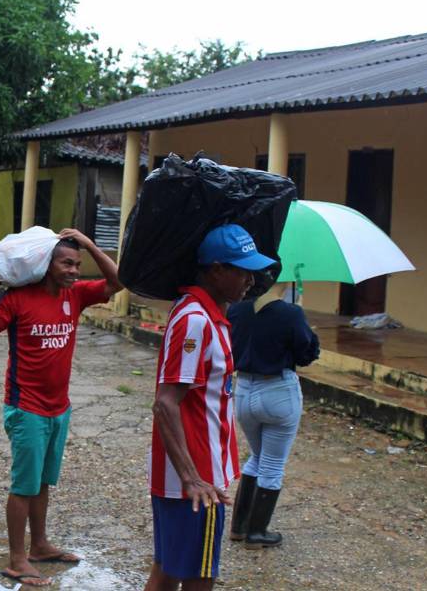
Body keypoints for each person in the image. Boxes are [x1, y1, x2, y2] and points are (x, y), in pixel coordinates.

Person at [0, 229, 122, 587]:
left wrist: (88, 244)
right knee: (24, 485)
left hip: (59, 407)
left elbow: (119, 281)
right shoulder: (18, 299)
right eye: (66, 263)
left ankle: (38, 545)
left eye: (77, 264)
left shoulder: (76, 295)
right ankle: (17, 559)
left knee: (41, 481)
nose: (74, 270)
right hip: (26, 409)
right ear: (46, 264)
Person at [145, 224, 276, 591]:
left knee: (167, 569)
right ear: (216, 270)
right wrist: (192, 478)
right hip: (196, 478)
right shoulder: (195, 321)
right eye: (242, 270)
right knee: (199, 577)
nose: (250, 279)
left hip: (190, 473)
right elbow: (166, 403)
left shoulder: (208, 314)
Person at [226, 282, 319, 549]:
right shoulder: (291, 313)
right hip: (278, 390)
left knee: (257, 457)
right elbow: (306, 354)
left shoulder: (237, 310)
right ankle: (257, 533)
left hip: (243, 389)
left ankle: (239, 527)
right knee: (272, 464)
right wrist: (307, 330)